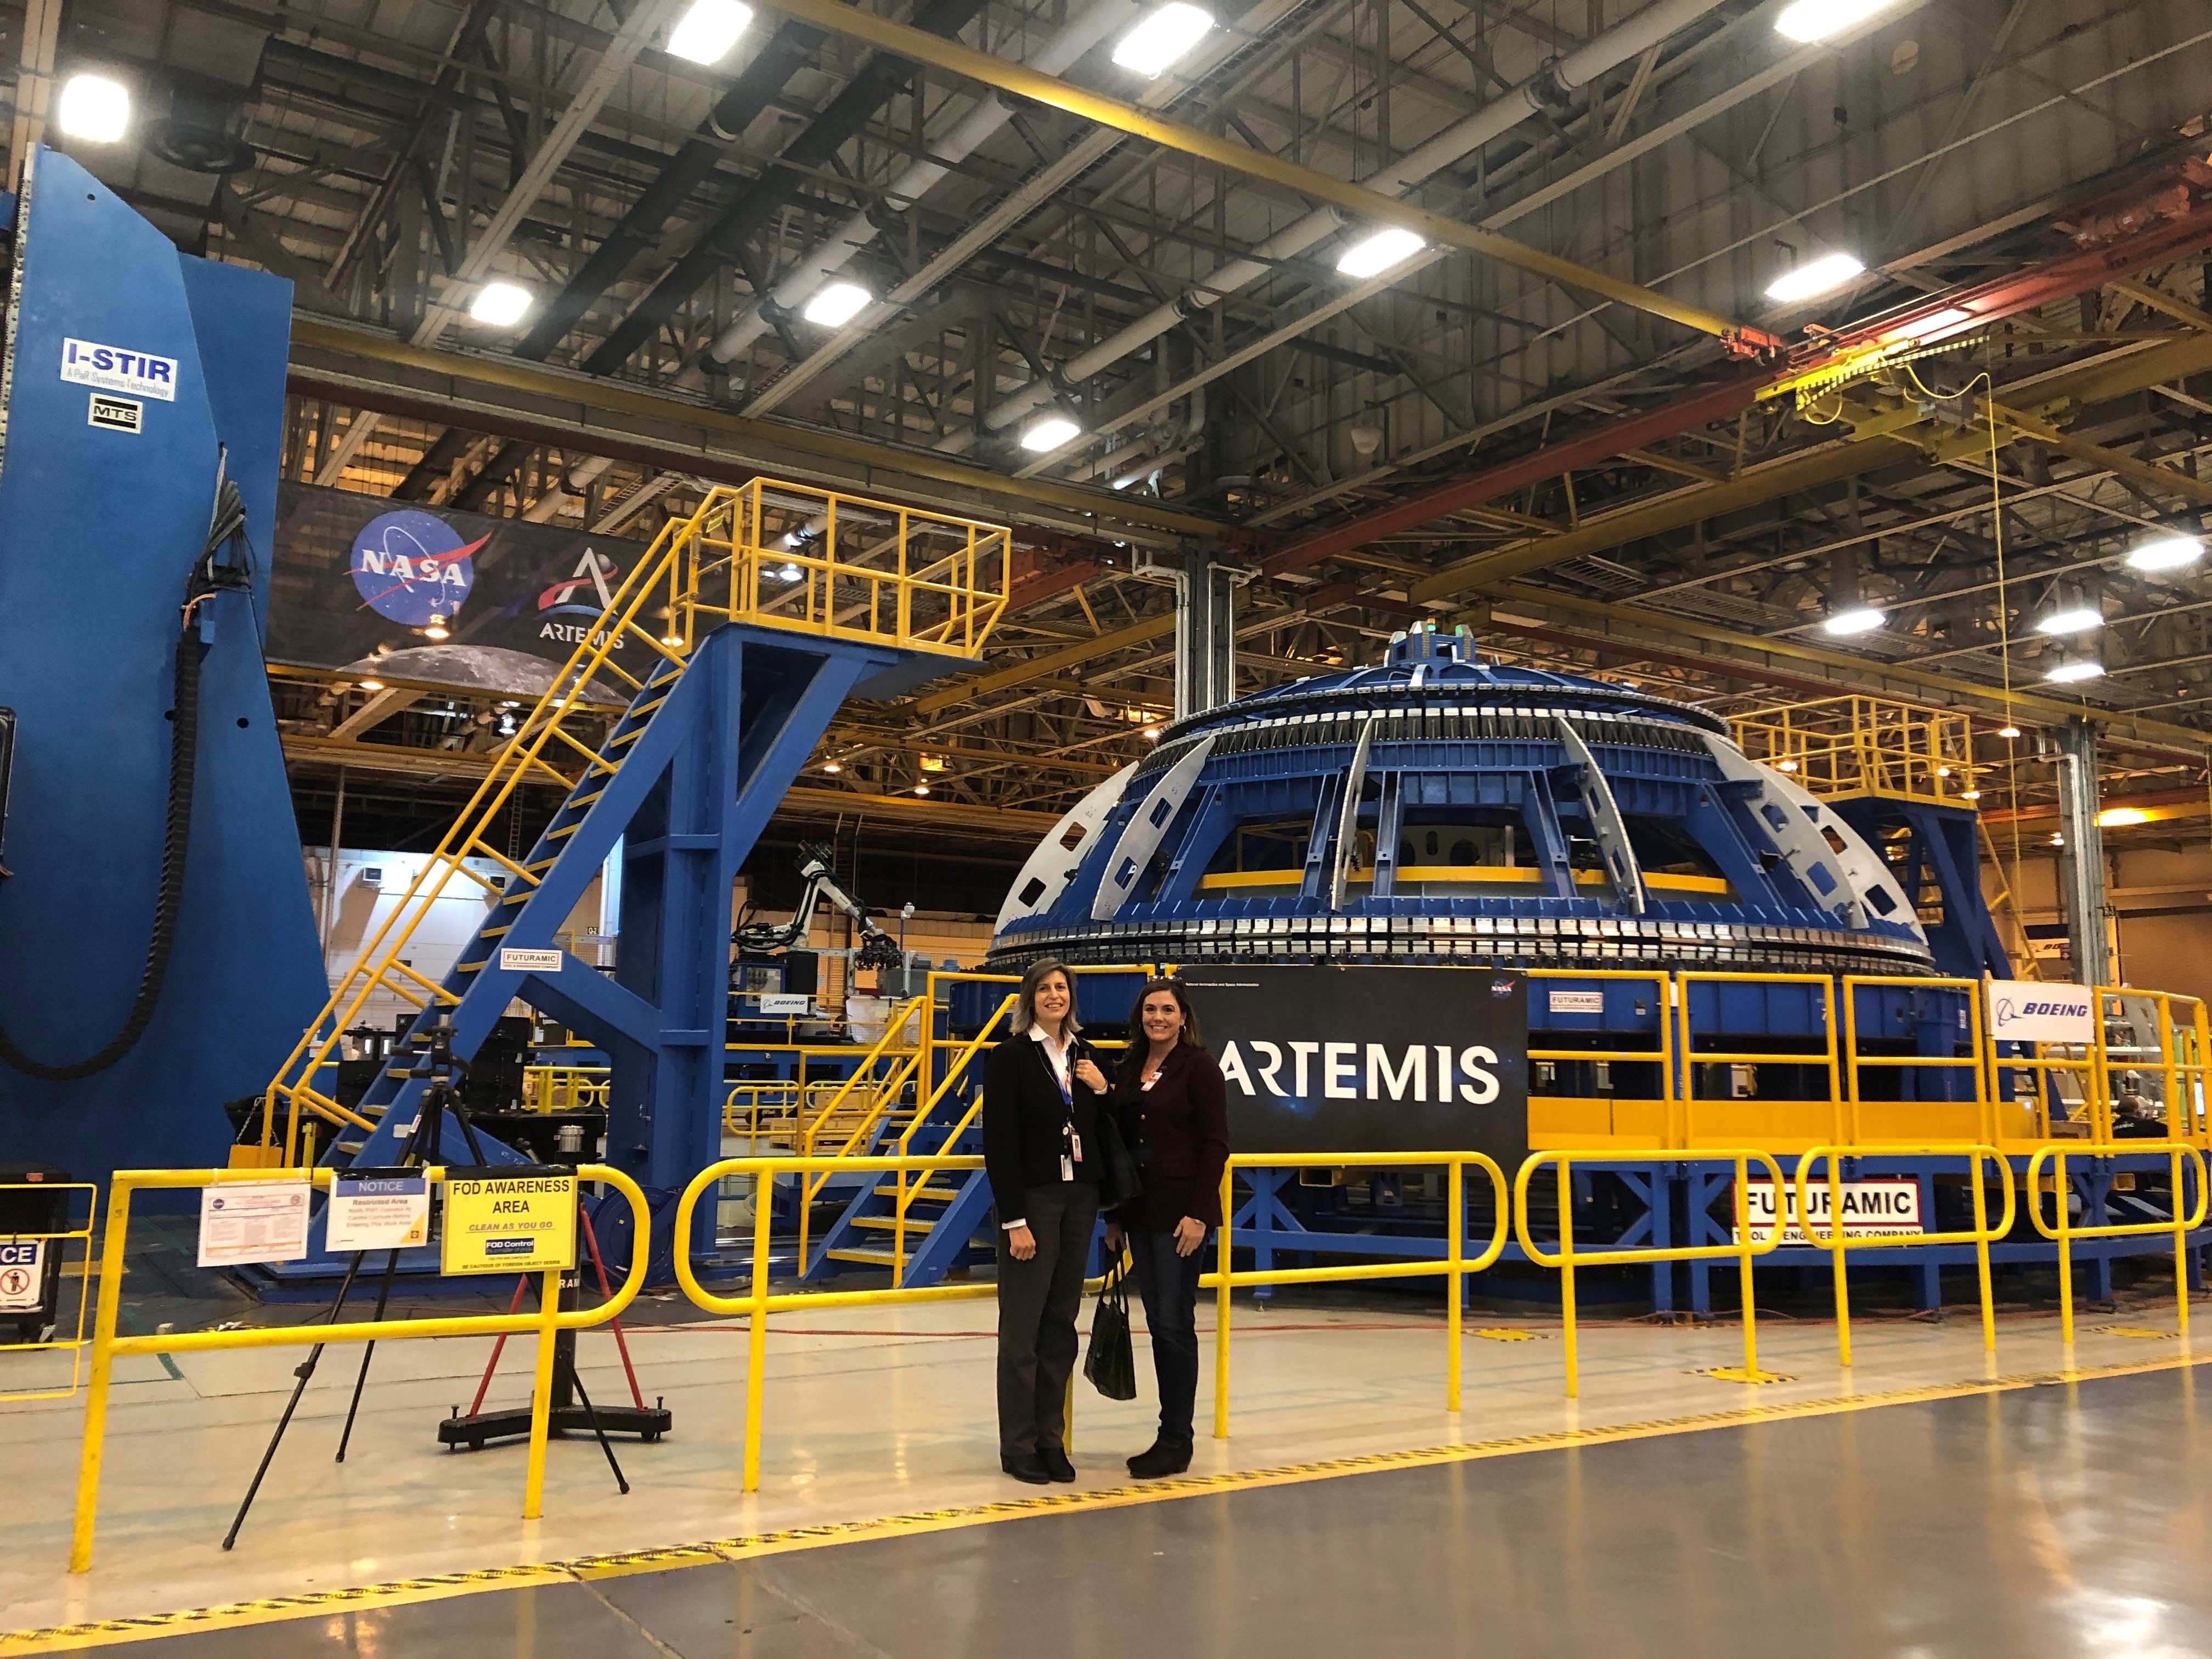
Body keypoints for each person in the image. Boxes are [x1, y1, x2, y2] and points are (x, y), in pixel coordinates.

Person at [981, 957, 1108, 1485]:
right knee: (1022, 1331)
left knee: (1060, 1326)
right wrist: (1014, 1220)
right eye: (1045, 989)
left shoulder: (1085, 1056)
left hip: (1080, 1198)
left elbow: (1105, 1130)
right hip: (1034, 1201)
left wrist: (1102, 1089)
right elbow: (1000, 1143)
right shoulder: (1010, 1058)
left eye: (1063, 988)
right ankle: (1019, 1445)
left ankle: (1052, 1440)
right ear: (1029, 998)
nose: (1055, 996)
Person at [1104, 977, 1231, 1478]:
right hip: (1140, 1212)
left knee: (1175, 1326)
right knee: (1157, 1323)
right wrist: (1114, 1215)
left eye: (1168, 1010)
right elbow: (1117, 1143)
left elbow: (1216, 1144)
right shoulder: (1129, 1068)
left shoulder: (1199, 1067)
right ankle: (1168, 1433)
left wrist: (1199, 1213)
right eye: (1151, 1010)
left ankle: (1177, 1438)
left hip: (1181, 1218)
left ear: (1183, 1017)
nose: (1158, 1018)